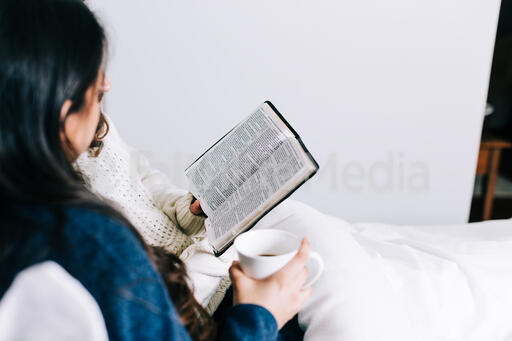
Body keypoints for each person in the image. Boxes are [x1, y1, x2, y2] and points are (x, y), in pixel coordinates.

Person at [0, 0, 312, 340]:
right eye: (91, 73)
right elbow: (163, 306)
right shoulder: (93, 241)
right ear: (62, 111)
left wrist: (192, 208)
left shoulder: (83, 144)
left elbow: (146, 180)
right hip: (203, 302)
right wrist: (258, 315)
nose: (106, 85)